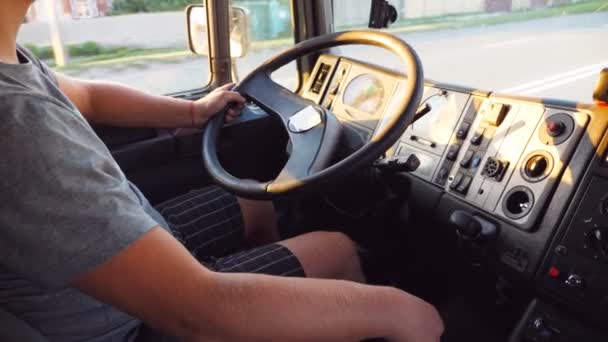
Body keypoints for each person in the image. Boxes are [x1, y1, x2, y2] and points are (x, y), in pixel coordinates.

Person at [0, 1, 444, 341]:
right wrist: (398, 310)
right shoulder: (18, 124)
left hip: (122, 263)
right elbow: (196, 309)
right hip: (126, 324)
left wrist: (195, 112)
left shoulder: (12, 62)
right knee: (340, 253)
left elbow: (91, 97)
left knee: (254, 199)